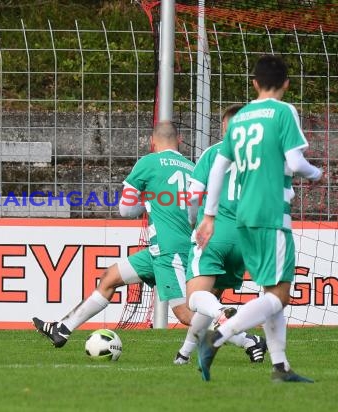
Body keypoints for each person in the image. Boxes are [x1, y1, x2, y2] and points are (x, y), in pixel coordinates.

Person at [195, 55, 322, 382]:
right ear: (286, 83)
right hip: (271, 213)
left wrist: (208, 216)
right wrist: (316, 172)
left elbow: (220, 167)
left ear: (254, 83)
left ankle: (280, 367)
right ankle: (219, 336)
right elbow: (295, 162)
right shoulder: (283, 111)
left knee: (270, 293)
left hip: (243, 216)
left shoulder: (240, 118)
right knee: (279, 295)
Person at [32, 121, 195, 347]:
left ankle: (248, 340)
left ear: (152, 142)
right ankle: (63, 328)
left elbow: (126, 209)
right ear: (179, 141)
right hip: (171, 249)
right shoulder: (192, 168)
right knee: (109, 277)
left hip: (169, 251)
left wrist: (148, 202)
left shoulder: (149, 162)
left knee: (185, 314)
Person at [174, 104, 267, 365]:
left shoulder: (214, 152)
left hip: (215, 233)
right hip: (247, 240)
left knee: (195, 297)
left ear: (224, 128)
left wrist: (193, 222)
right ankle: (184, 354)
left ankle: (223, 315)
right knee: (210, 294)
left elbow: (193, 196)